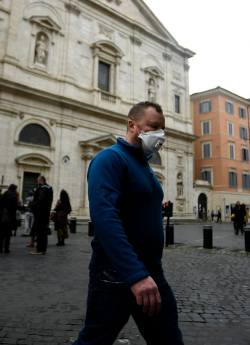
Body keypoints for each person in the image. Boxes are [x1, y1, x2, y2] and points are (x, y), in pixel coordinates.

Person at [74, 101, 183, 345]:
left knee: (168, 338)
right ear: (132, 125)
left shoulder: (145, 165)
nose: (160, 135)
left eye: (162, 129)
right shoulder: (109, 159)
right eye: (153, 127)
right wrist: (135, 275)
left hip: (151, 271)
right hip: (116, 274)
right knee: (95, 341)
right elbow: (105, 218)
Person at [29, 176, 53, 255]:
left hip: (40, 213)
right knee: (43, 231)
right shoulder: (49, 188)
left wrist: (31, 206)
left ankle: (39, 249)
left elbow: (40, 200)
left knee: (40, 231)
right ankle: (43, 249)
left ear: (40, 181)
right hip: (46, 212)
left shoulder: (42, 189)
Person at [0, 184, 19, 253]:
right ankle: (6, 248)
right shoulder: (13, 196)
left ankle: (0, 248)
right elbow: (16, 206)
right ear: (14, 189)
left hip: (2, 216)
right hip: (10, 216)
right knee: (8, 234)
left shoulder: (3, 195)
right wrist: (24, 207)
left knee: (1, 233)